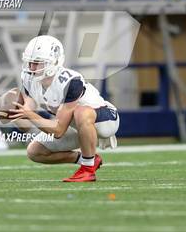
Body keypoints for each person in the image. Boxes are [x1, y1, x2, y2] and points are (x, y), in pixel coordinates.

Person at [8, 35, 119, 182]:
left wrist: (29, 114)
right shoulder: (28, 79)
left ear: (53, 61)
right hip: (73, 124)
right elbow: (26, 126)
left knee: (81, 112)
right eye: (30, 63)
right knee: (34, 152)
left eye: (37, 63)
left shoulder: (70, 81)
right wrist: (15, 114)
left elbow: (58, 130)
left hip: (105, 119)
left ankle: (87, 169)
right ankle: (88, 159)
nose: (31, 68)